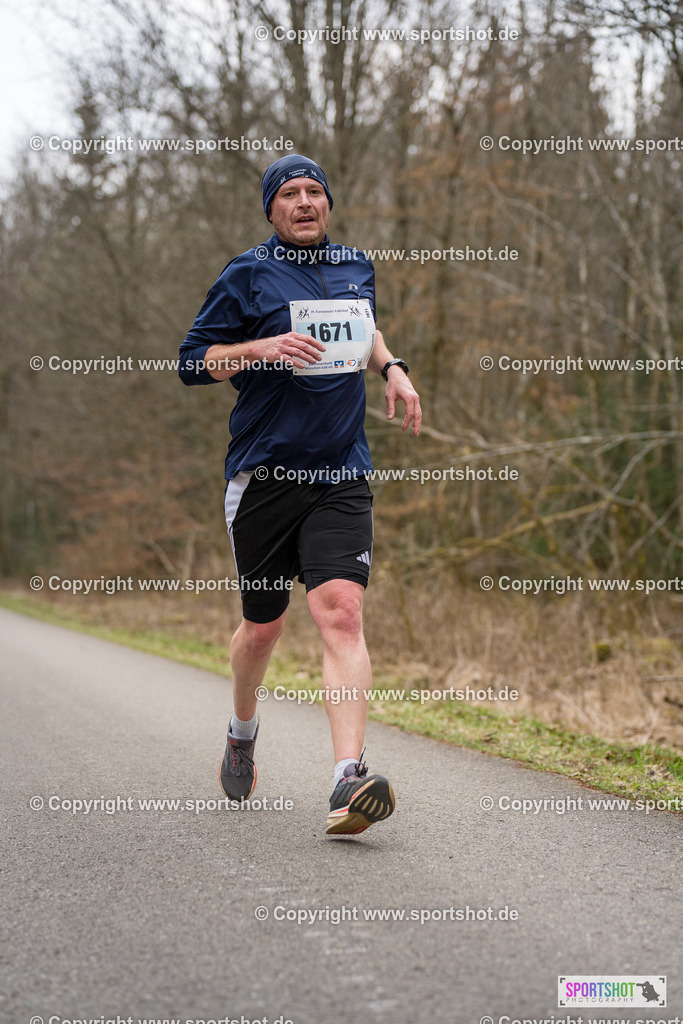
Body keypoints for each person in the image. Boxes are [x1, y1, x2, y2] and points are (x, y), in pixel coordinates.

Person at [179, 153, 421, 836]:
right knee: (263, 625)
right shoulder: (246, 275)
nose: (306, 201)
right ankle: (241, 728)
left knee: (340, 612)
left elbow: (364, 324)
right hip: (264, 474)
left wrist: (393, 369)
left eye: (316, 191)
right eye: (290, 193)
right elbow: (192, 362)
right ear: (271, 209)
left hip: (340, 471)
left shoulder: (354, 264)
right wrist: (260, 348)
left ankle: (348, 779)